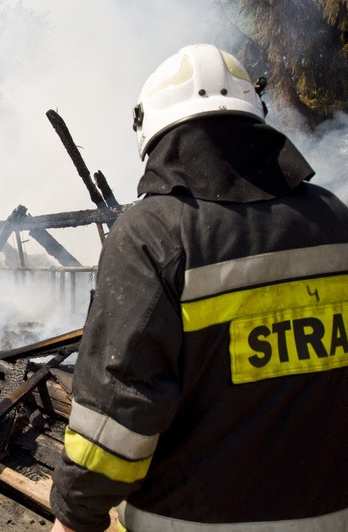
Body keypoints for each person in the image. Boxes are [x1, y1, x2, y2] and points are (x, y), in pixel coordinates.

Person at [50, 43, 348, 531]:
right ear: (256, 118)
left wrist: (74, 512)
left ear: (152, 131)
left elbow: (121, 407)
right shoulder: (335, 219)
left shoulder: (152, 234)